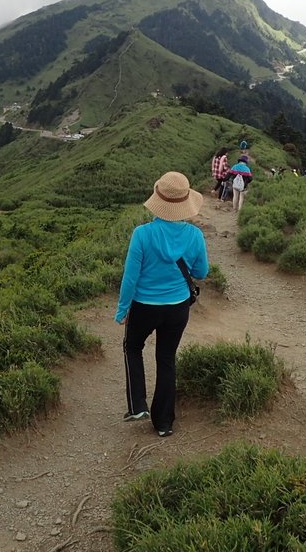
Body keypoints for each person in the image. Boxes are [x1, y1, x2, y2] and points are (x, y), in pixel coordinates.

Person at [116, 171, 209, 437]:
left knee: (132, 347)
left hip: (144, 306)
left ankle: (137, 406)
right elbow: (201, 272)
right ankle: (164, 423)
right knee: (166, 359)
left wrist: (123, 310)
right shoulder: (194, 235)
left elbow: (130, 277)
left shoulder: (142, 234)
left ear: (158, 198)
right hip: (178, 307)